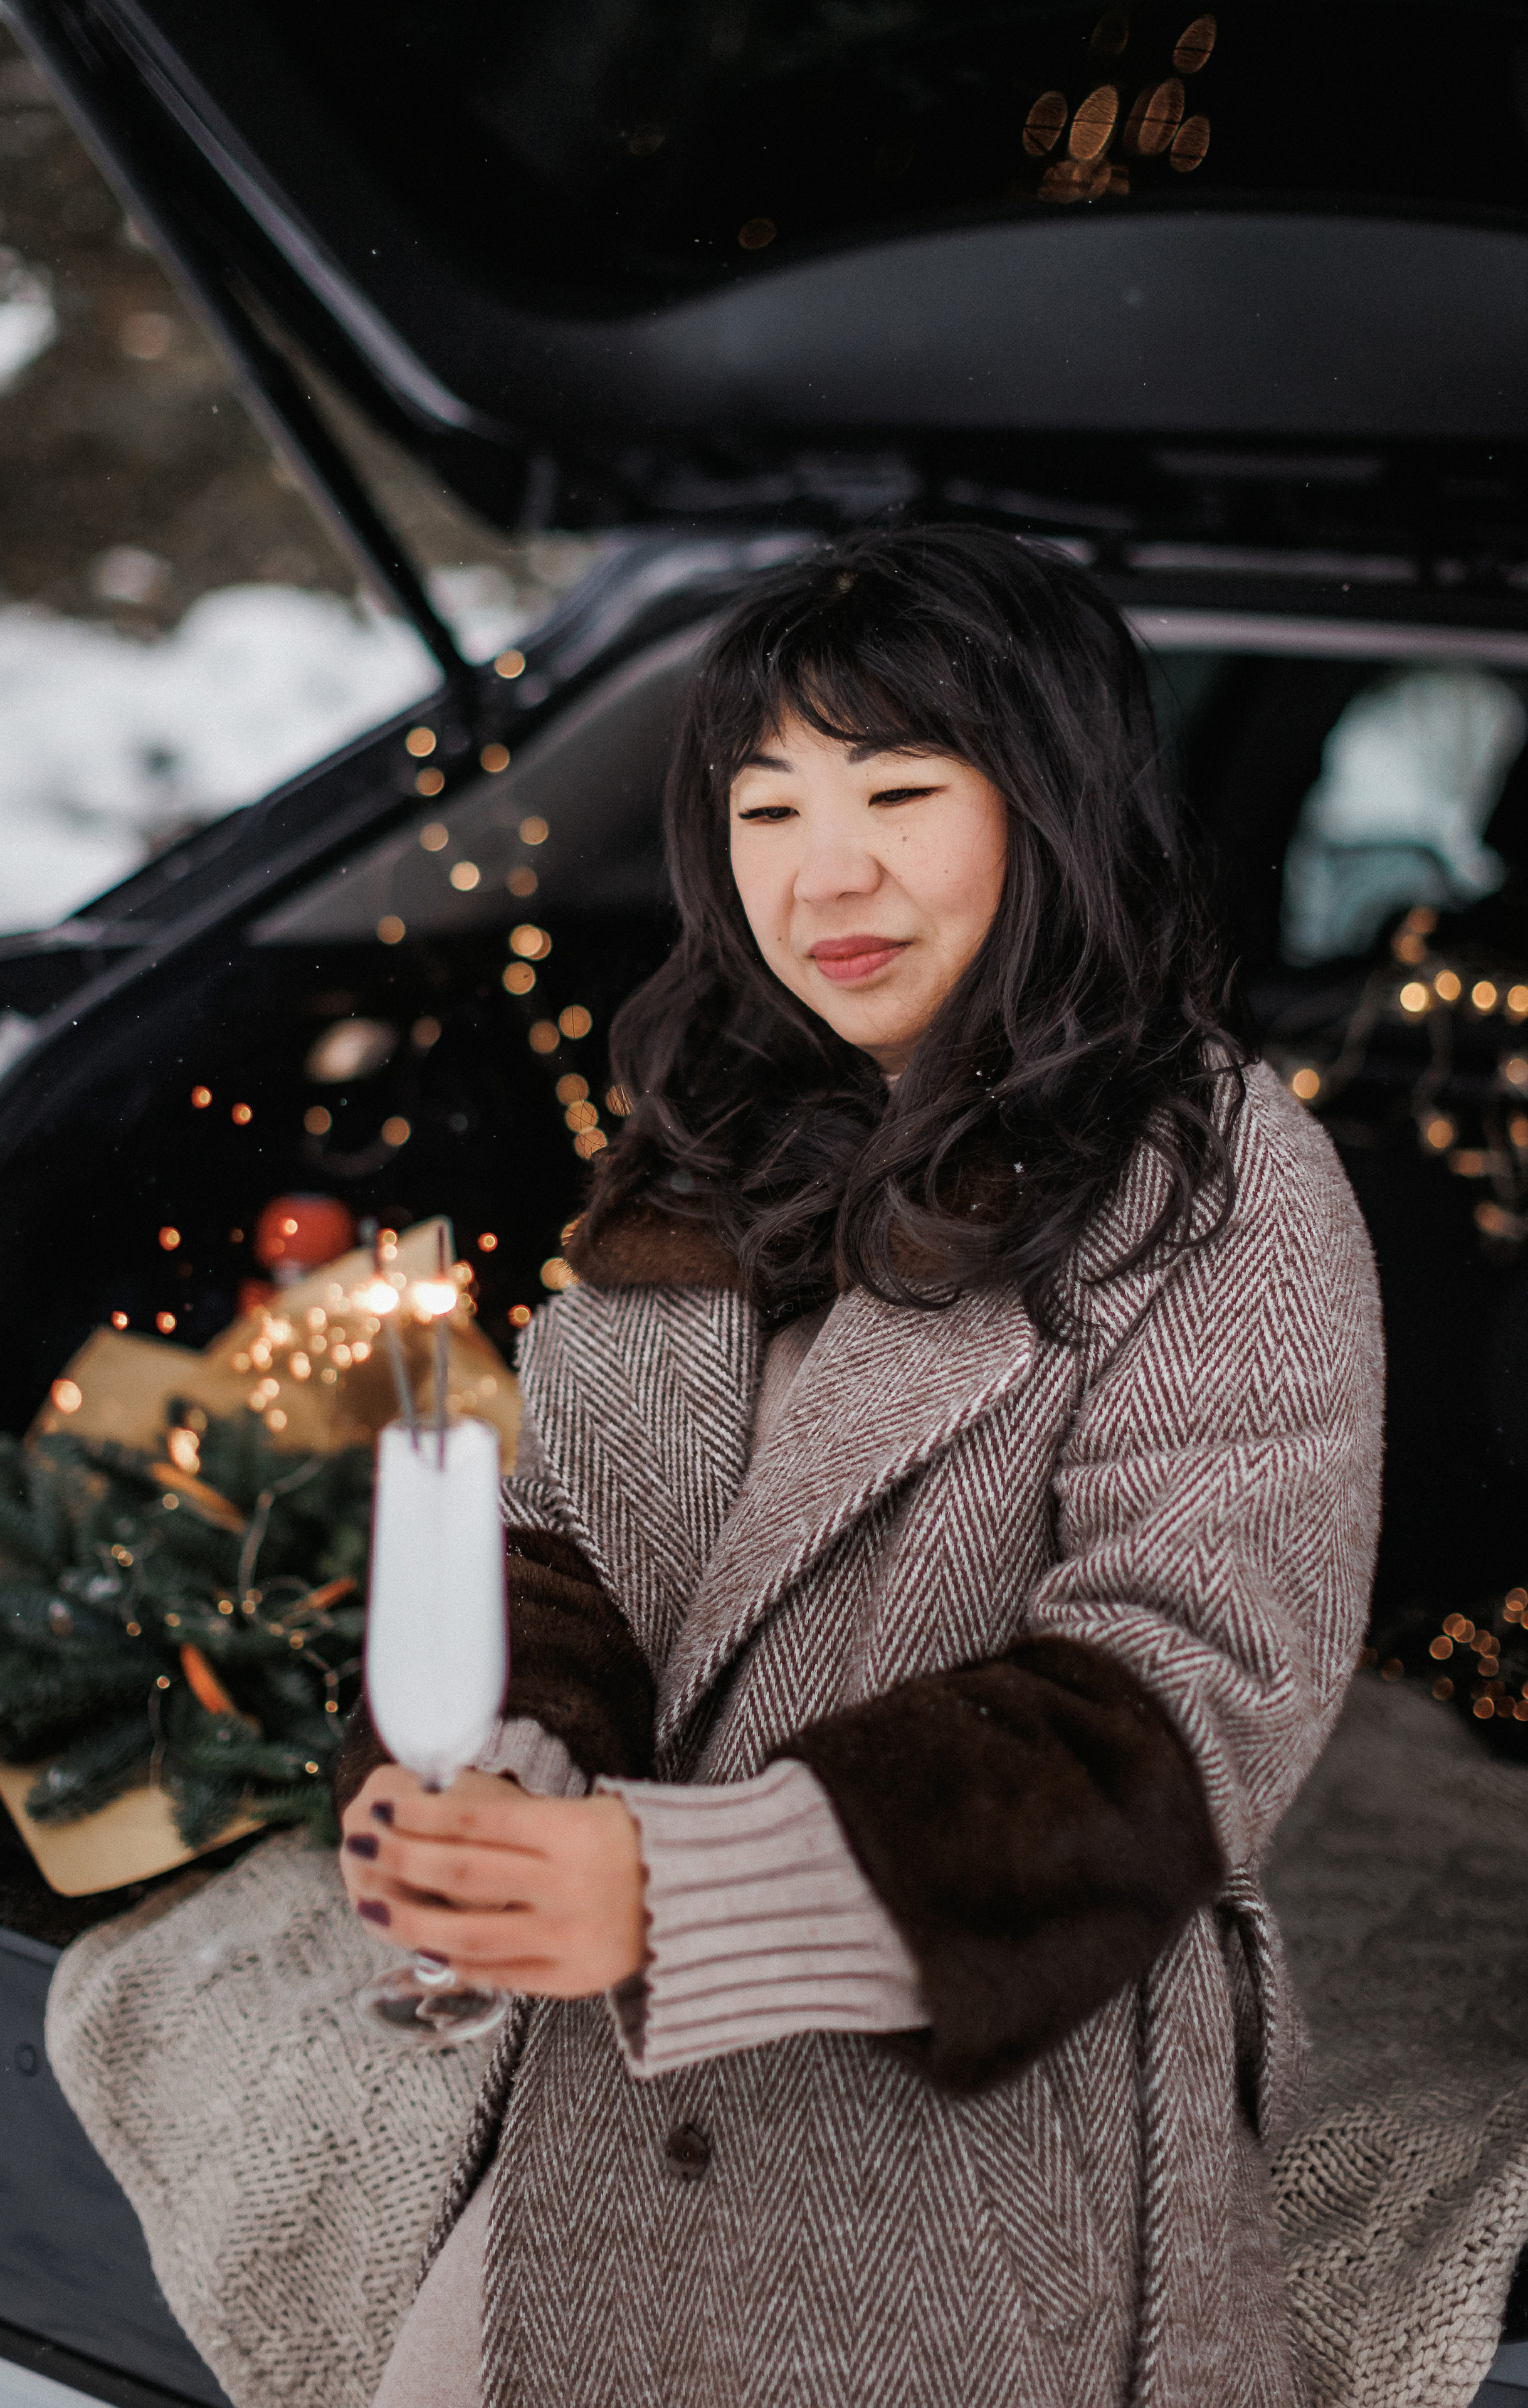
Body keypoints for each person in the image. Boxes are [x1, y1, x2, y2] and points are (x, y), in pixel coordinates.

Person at [336, 524, 1384, 2408]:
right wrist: (494, 1782)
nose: (826, 874)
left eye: (902, 789)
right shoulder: (707, 1147)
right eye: (766, 808)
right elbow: (566, 1536)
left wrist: (679, 1893)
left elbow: (1187, 1695)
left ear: (1056, 808)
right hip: (611, 2111)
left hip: (992, 2132)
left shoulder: (1218, 1181)